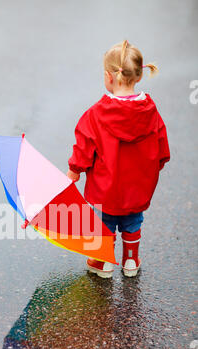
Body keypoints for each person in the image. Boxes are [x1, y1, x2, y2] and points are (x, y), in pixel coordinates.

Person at [67, 40, 170, 278]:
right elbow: (162, 148)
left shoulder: (96, 114)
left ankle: (103, 263)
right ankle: (131, 260)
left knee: (104, 224)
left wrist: (74, 171)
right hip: (138, 187)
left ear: (109, 76)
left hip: (105, 188)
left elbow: (83, 145)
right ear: (139, 76)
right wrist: (150, 169)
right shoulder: (150, 111)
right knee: (133, 221)